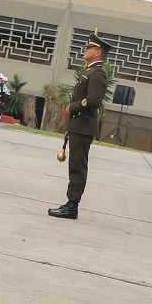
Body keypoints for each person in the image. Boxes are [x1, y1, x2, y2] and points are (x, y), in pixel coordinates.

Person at [48, 34, 111, 220]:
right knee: (74, 166)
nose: (85, 50)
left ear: (97, 52)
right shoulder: (90, 70)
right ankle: (70, 202)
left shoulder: (98, 72)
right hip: (78, 124)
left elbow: (93, 100)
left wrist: (72, 107)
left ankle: (72, 205)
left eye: (89, 48)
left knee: (78, 167)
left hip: (84, 124)